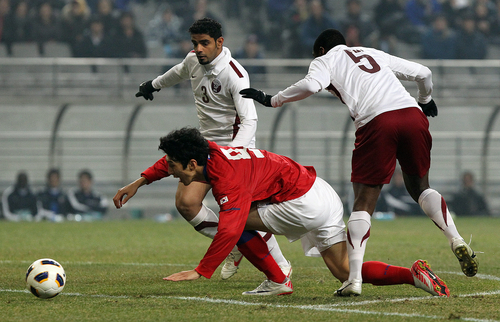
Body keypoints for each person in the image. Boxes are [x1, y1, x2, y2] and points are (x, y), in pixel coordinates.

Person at [240, 28, 478, 296]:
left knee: (364, 201)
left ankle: (354, 280)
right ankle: (455, 238)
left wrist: (273, 99)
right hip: (412, 114)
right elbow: (423, 73)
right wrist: (426, 99)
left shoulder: (324, 60)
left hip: (377, 121)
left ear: (320, 50)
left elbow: (309, 85)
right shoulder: (370, 52)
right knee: (421, 188)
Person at [113, 127, 450, 297]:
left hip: (302, 204)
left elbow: (229, 230)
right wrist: (141, 181)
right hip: (321, 193)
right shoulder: (209, 151)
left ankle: (278, 278)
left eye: (174, 167)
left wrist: (201, 271)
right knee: (345, 271)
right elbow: (169, 158)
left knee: (235, 221)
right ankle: (413, 275)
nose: (170, 171)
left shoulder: (225, 177)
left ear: (191, 164)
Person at [134, 17, 292, 280]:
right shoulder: (193, 60)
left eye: (204, 43)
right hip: (204, 148)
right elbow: (178, 72)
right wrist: (154, 84)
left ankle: (280, 266)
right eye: (195, 43)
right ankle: (235, 244)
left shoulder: (235, 74)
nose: (198, 49)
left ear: (220, 42)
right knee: (186, 203)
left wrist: (234, 154)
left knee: (244, 213)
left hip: (234, 151)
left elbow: (250, 119)